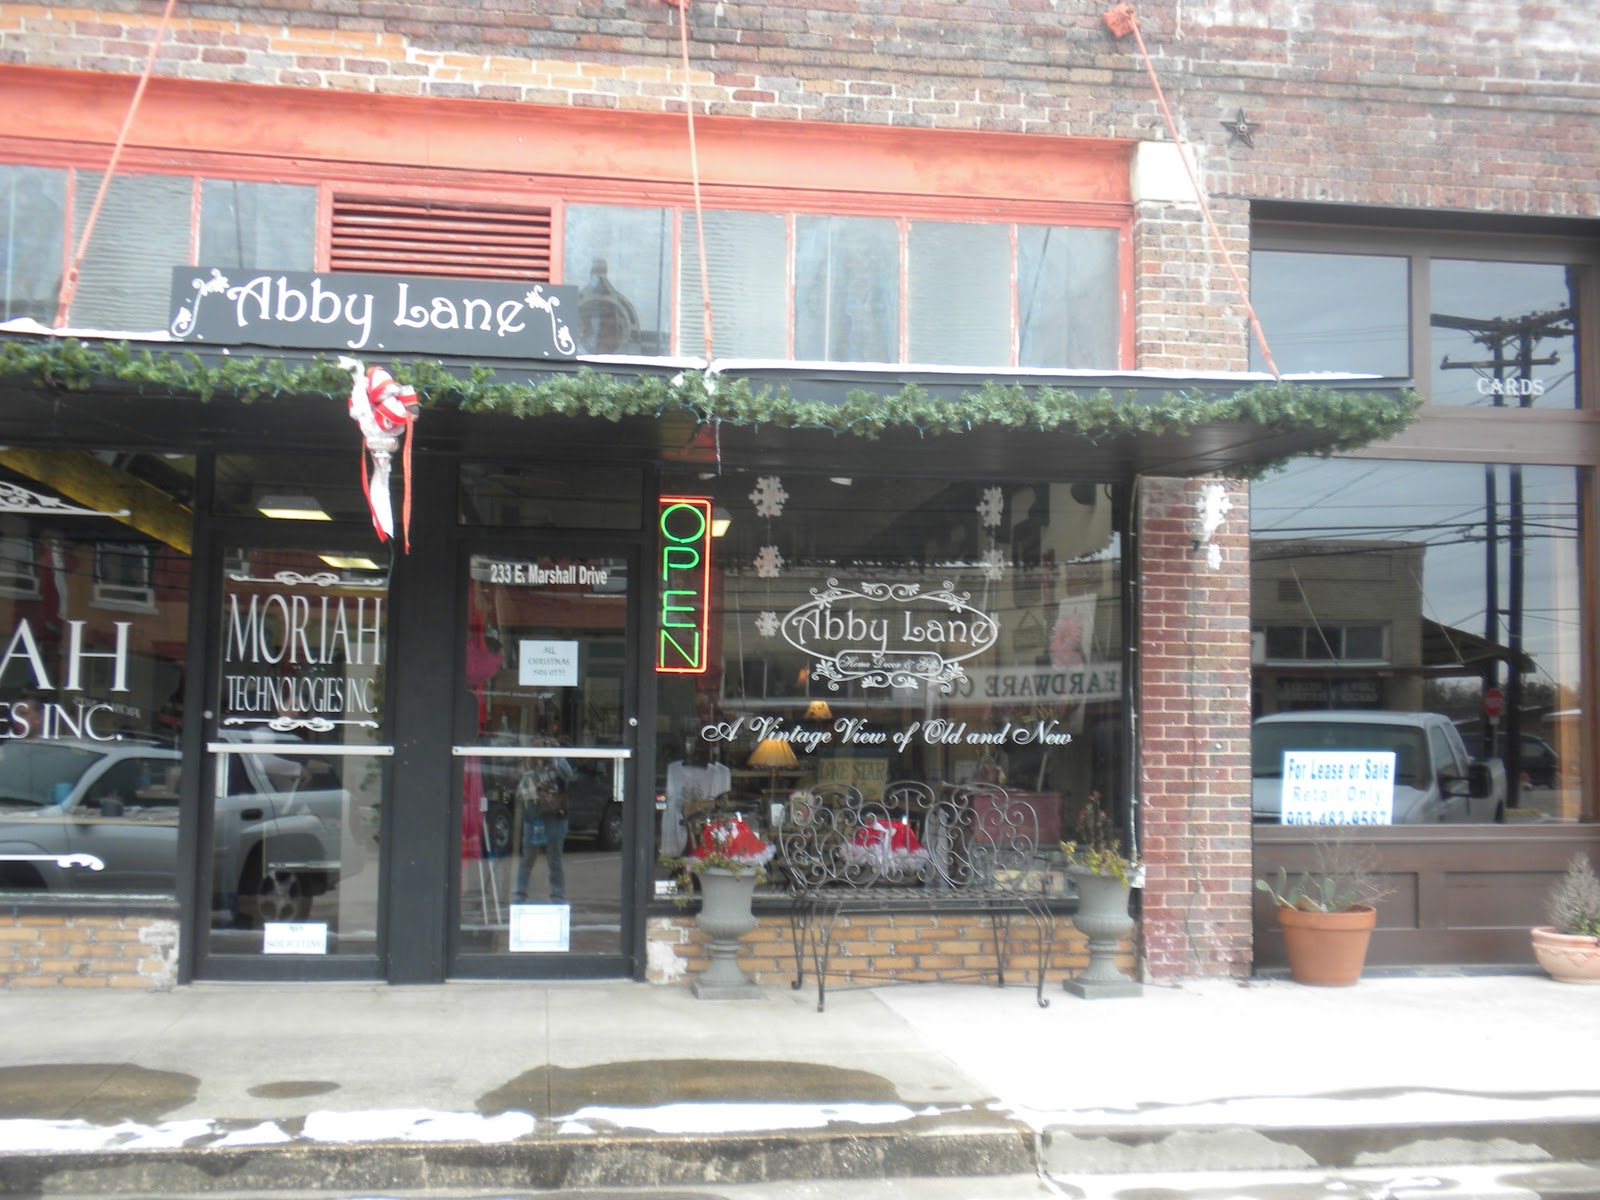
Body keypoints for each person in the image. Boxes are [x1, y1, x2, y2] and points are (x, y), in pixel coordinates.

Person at [513, 736, 573, 903]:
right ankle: (520, 894)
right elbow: (520, 792)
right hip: (534, 817)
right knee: (528, 858)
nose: (543, 751)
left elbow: (568, 774)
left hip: (556, 815)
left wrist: (557, 753)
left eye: (545, 746)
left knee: (554, 858)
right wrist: (536, 789)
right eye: (540, 746)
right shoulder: (529, 766)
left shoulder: (556, 763)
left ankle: (558, 896)